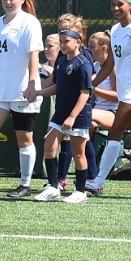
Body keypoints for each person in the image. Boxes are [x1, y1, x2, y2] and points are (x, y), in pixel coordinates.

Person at [90, 0, 131, 196]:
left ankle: (97, 181)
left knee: (115, 132)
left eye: (120, 5)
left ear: (130, 5)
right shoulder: (115, 30)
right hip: (125, 89)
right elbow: (110, 65)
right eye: (113, 5)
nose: (116, 8)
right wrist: (91, 85)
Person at [0, 0, 45, 198]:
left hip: (22, 90)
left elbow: (34, 54)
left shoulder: (29, 22)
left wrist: (32, 84)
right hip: (1, 91)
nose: (8, 1)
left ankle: (25, 184)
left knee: (25, 139)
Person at [39, 16, 95, 203]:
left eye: (66, 41)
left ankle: (80, 191)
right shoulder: (62, 61)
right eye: (60, 42)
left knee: (79, 152)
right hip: (61, 112)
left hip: (78, 116)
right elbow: (58, 86)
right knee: (49, 145)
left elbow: (85, 93)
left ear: (78, 41)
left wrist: (72, 116)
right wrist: (39, 92)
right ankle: (54, 187)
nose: (62, 45)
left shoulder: (83, 63)